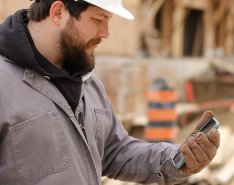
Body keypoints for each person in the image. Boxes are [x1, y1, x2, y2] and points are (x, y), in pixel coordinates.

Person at [0, 0, 220, 185]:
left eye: (108, 21)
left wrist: (178, 159)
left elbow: (116, 151)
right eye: (98, 19)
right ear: (58, 12)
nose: (105, 33)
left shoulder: (88, 83)